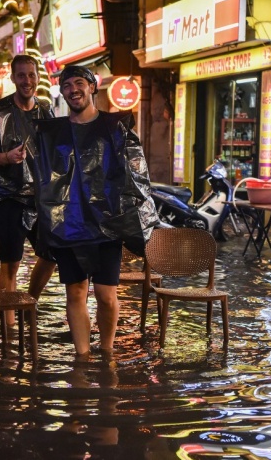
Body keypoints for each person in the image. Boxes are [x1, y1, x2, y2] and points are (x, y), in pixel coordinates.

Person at [31, 66, 157, 357]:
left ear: (92, 87)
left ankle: (108, 351)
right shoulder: (53, 134)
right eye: (67, 85)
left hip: (106, 224)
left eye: (79, 83)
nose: (73, 89)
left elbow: (136, 174)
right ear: (61, 92)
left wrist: (134, 218)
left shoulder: (115, 127)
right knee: (75, 292)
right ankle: (82, 357)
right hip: (68, 224)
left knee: (105, 294)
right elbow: (41, 177)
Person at [0, 54, 57, 327]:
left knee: (51, 253)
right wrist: (7, 157)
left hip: (41, 198)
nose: (27, 81)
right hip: (6, 197)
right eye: (21, 75)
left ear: (38, 78)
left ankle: (27, 303)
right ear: (13, 79)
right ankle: (9, 328)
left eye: (31, 75)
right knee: (10, 262)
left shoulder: (47, 112)